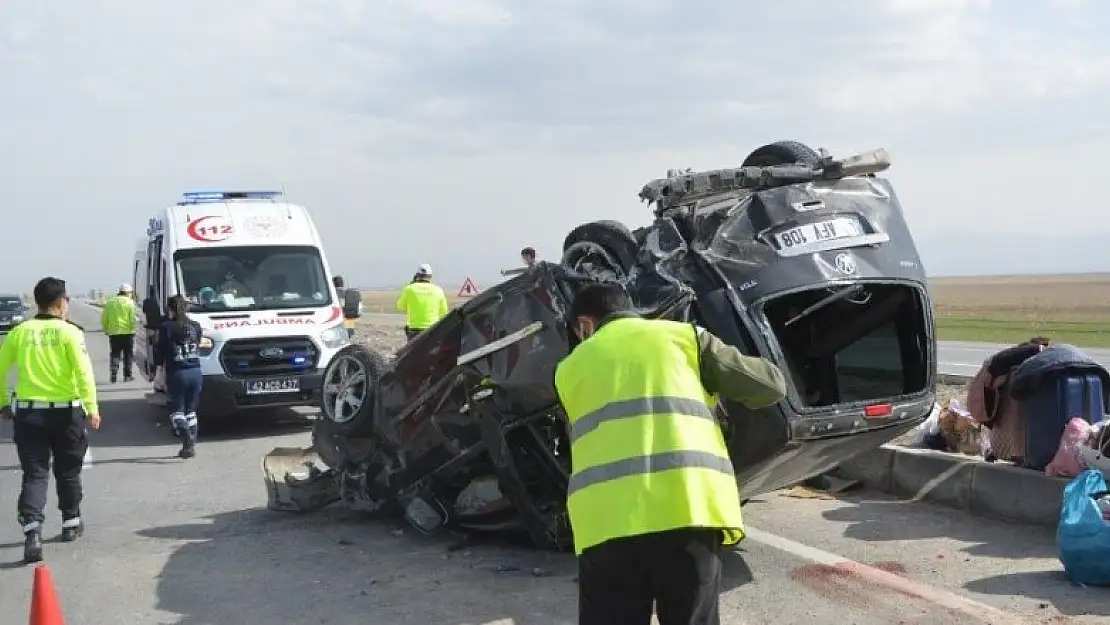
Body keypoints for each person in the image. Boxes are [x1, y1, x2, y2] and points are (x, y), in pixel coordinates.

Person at [553, 282, 787, 625]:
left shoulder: (568, 370)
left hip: (606, 523)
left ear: (585, 324)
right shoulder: (685, 338)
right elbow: (770, 386)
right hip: (688, 510)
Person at [0, 277, 101, 564]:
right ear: (60, 303)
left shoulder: (19, 333)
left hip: (29, 415)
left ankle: (32, 530)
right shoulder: (70, 333)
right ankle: (71, 522)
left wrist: (3, 403)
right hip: (66, 413)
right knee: (68, 471)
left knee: (35, 473)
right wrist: (92, 408)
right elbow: (83, 373)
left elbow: (1, 369)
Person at [155, 295, 204, 459]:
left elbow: (160, 352)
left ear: (170, 309)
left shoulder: (166, 327)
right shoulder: (196, 326)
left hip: (178, 374)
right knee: (191, 411)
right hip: (196, 372)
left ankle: (187, 438)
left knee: (176, 411)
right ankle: (189, 446)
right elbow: (198, 344)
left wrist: (158, 373)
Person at [395, 264, 449, 341]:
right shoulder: (438, 290)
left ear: (417, 276)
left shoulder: (409, 289)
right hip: (433, 329)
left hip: (414, 330)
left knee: (414, 352)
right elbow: (444, 311)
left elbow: (400, 306)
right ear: (430, 276)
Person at [100, 283, 138, 383]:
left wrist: (106, 329)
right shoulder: (130, 302)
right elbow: (133, 318)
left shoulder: (111, 302)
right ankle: (127, 375)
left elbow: (104, 317)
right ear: (127, 292)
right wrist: (134, 330)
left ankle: (114, 372)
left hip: (114, 333)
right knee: (128, 355)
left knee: (115, 354)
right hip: (128, 333)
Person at [142, 288, 165, 391]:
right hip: (160, 328)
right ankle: (156, 372)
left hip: (151, 328)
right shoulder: (161, 301)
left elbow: (144, 311)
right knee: (158, 350)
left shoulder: (146, 301)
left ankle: (152, 372)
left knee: (152, 349)